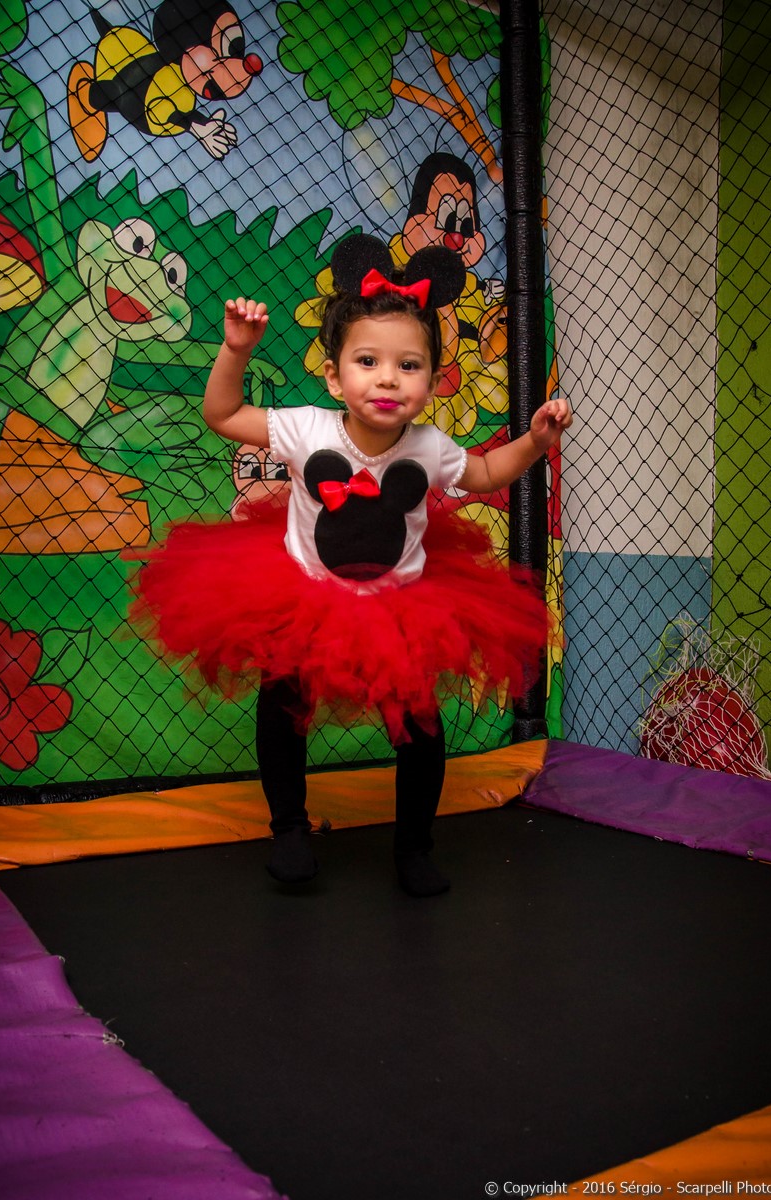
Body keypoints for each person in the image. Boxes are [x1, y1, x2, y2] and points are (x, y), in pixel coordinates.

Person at [129, 258, 572, 897]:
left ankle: (414, 846)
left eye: (408, 365)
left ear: (432, 382)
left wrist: (533, 442)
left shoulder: (430, 446)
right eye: (368, 361)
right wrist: (236, 350)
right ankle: (289, 830)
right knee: (284, 706)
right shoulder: (305, 428)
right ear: (335, 377)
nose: (388, 377)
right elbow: (223, 415)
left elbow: (483, 476)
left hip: (400, 606)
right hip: (306, 598)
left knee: (419, 727)